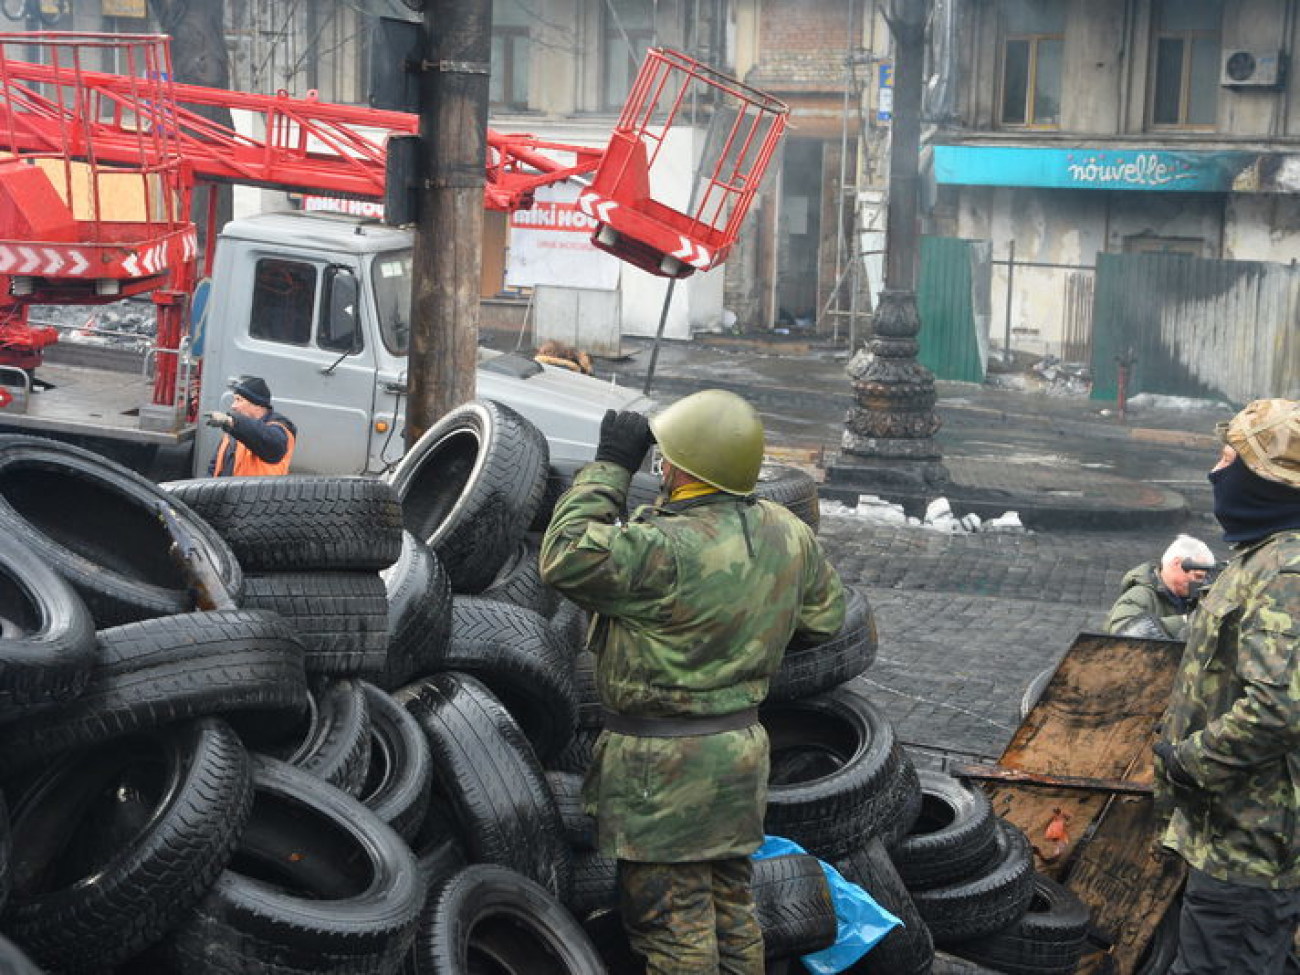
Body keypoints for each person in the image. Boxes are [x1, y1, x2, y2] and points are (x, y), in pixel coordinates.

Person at [539, 389, 845, 974]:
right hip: (738, 760)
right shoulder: (786, 532)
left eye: (667, 459)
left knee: (673, 935)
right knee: (732, 920)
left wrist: (610, 464)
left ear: (682, 469)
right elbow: (824, 620)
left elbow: (564, 554)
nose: (663, 468)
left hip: (663, 769)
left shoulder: (661, 548)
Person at [1154, 397, 1300, 974]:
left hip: (1248, 848)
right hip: (1231, 833)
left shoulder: (1283, 572)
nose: (1216, 472)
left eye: (1227, 458)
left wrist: (1191, 760)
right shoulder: (1261, 556)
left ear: (1264, 478)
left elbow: (1279, 709)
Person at [1105, 534, 1215, 640]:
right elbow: (1125, 636)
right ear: (1176, 563)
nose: (1200, 582)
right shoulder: (1140, 596)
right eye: (1198, 576)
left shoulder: (1197, 597)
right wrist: (1185, 621)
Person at [205, 376, 297, 476]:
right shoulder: (234, 429)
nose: (233, 406)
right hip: (226, 490)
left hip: (256, 492)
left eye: (239, 400)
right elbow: (214, 467)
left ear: (257, 404)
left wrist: (232, 422)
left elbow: (271, 443)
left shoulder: (280, 429)